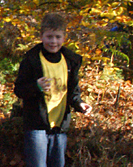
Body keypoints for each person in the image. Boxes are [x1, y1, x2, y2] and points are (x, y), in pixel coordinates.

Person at [13, 12, 93, 167]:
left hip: (60, 125)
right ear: (42, 36)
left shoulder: (70, 61)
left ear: (64, 37)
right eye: (49, 37)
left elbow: (72, 92)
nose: (53, 41)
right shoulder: (31, 59)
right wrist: (36, 86)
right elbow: (19, 90)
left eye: (57, 37)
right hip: (36, 125)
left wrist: (80, 104)